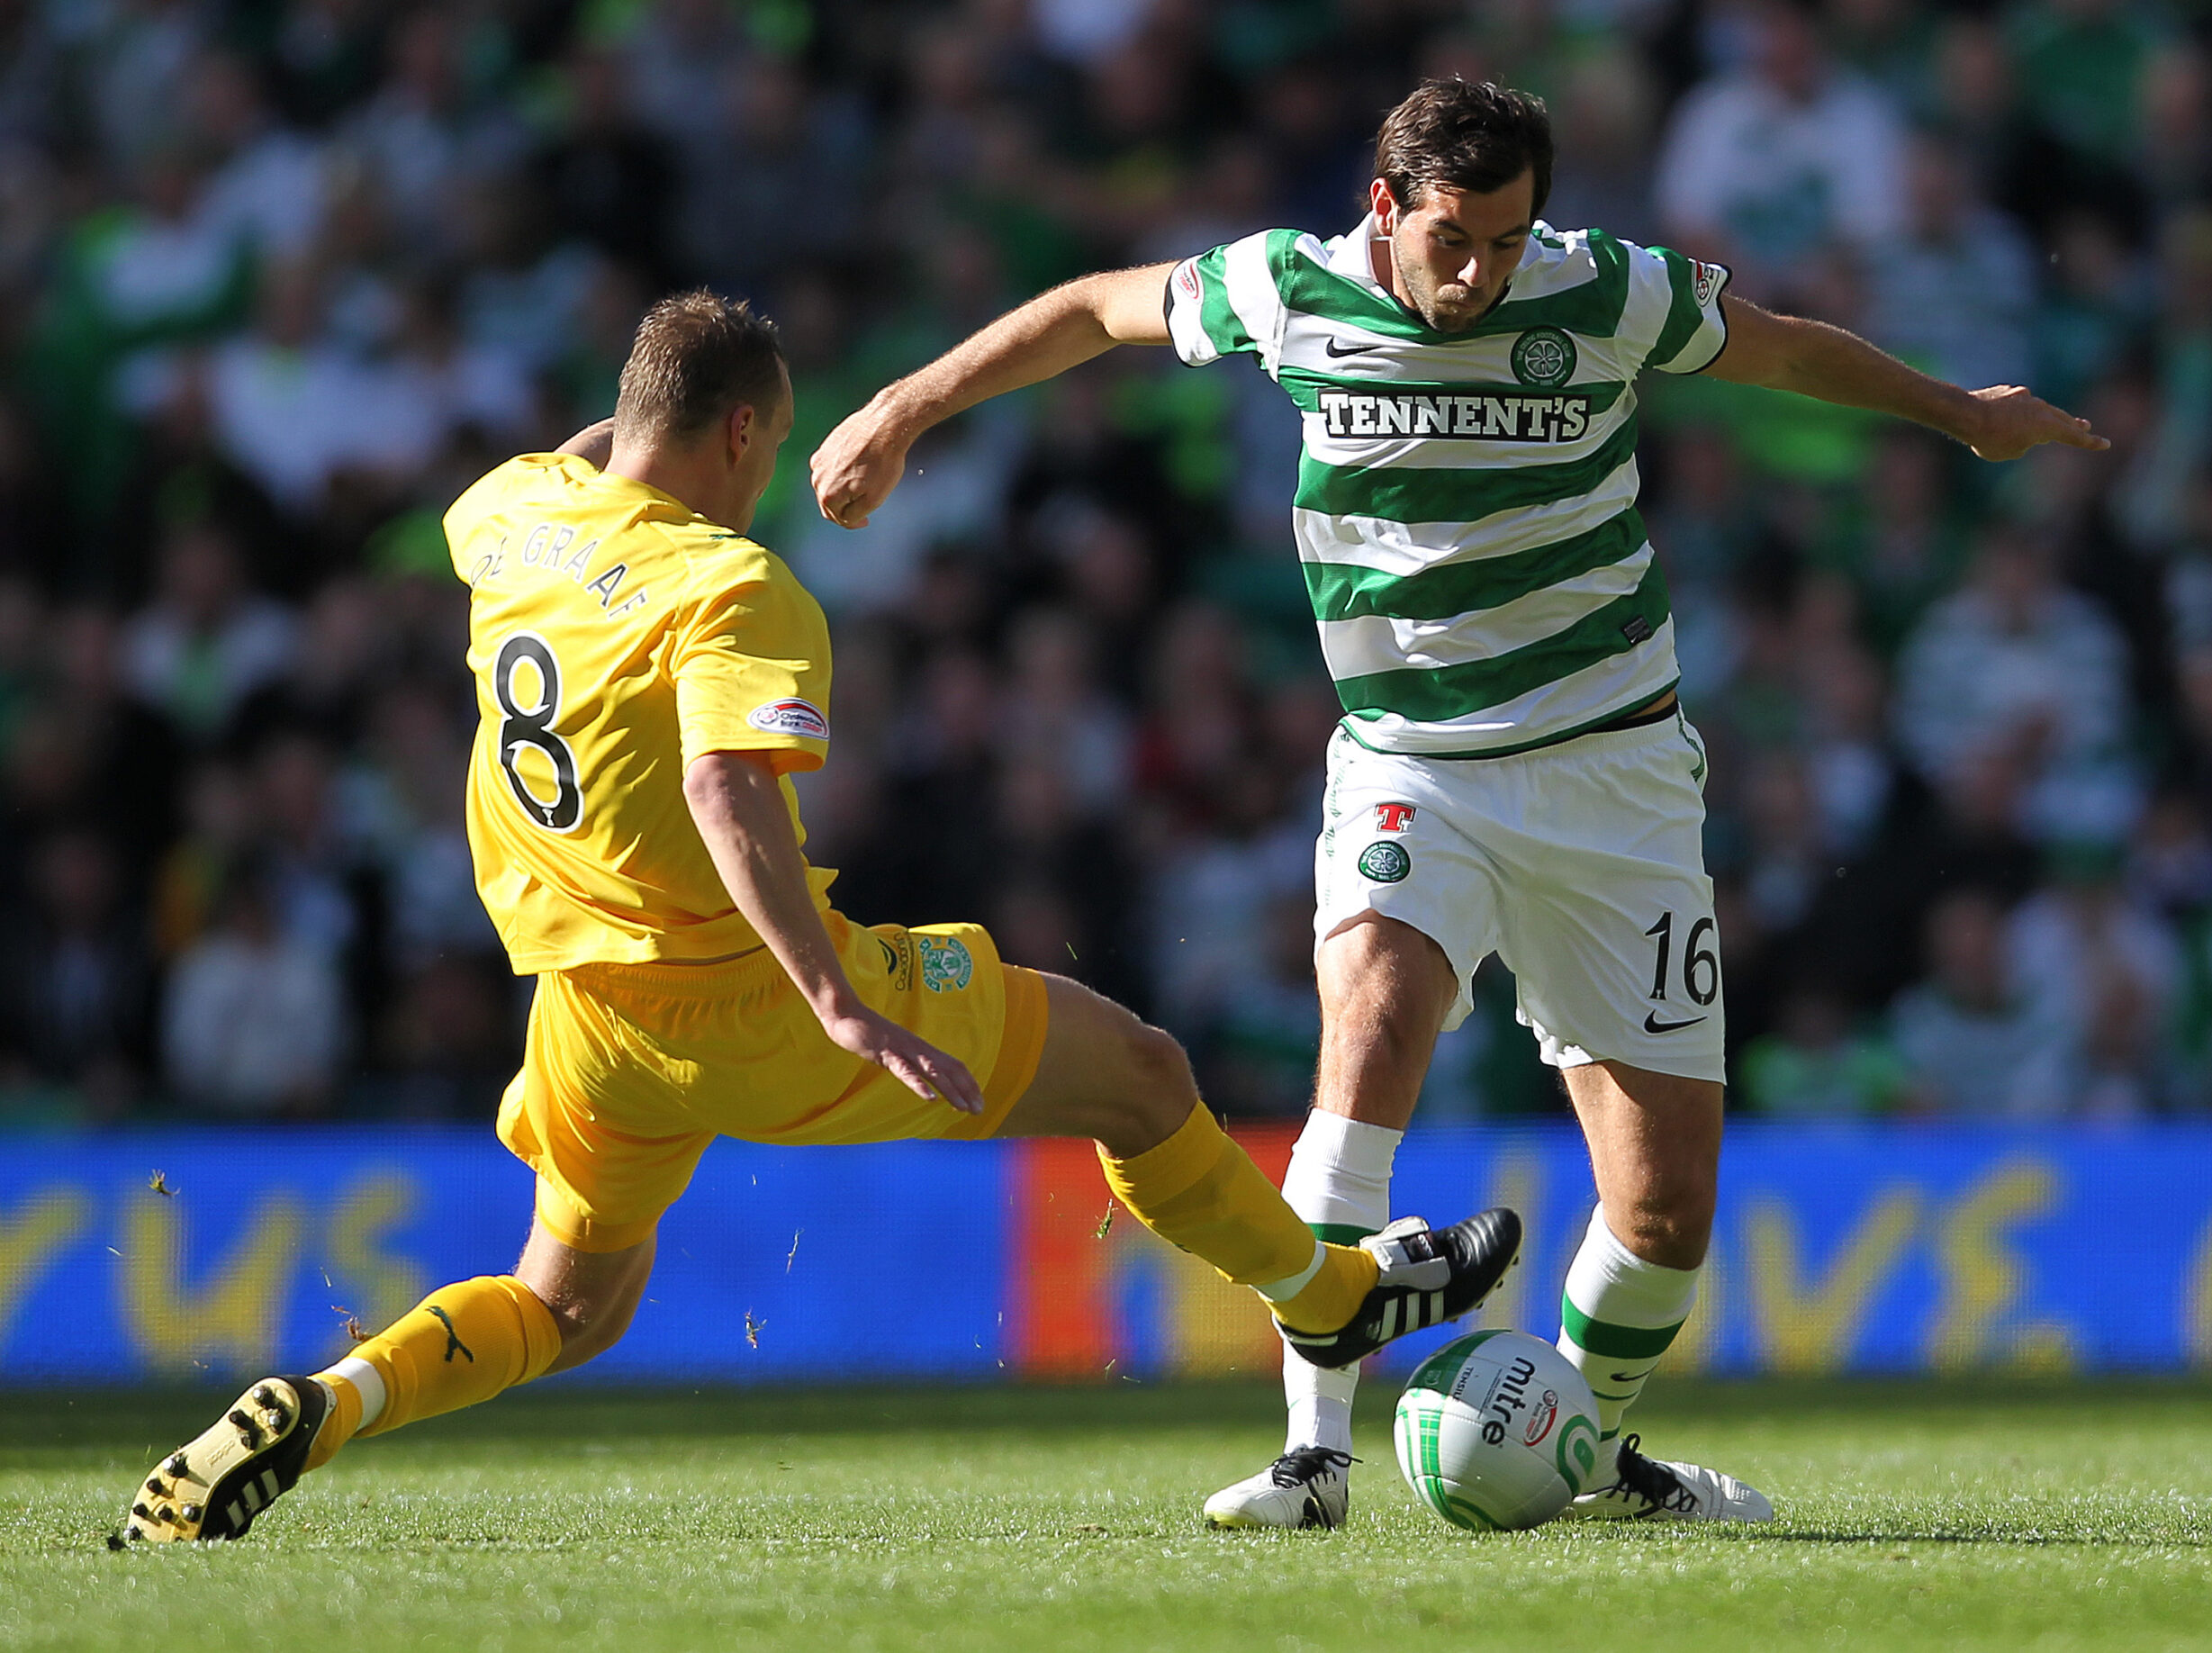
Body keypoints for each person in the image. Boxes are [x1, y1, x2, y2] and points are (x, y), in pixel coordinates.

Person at [812, 77, 2108, 1530]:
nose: (1481, 273)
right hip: (1412, 765)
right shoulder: (1283, 288)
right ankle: (1315, 1459)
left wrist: (1954, 413)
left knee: (1667, 1209)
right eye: (1454, 242)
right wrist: (903, 405)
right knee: (1366, 1048)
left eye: (1507, 241)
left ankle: (1595, 1449)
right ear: (1386, 205)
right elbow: (1092, 308)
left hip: (1615, 776)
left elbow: (1784, 354)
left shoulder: (1604, 291)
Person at [114, 292, 1518, 1546]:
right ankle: (1325, 1296)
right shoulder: (736, 592)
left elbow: (604, 446)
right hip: (757, 999)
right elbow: (724, 783)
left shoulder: (508, 515)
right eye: (771, 448)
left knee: (563, 1307)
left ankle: (326, 1399)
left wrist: (665, 394)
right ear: (738, 433)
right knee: (1142, 1076)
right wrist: (841, 1000)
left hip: (589, 1017)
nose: (770, 478)